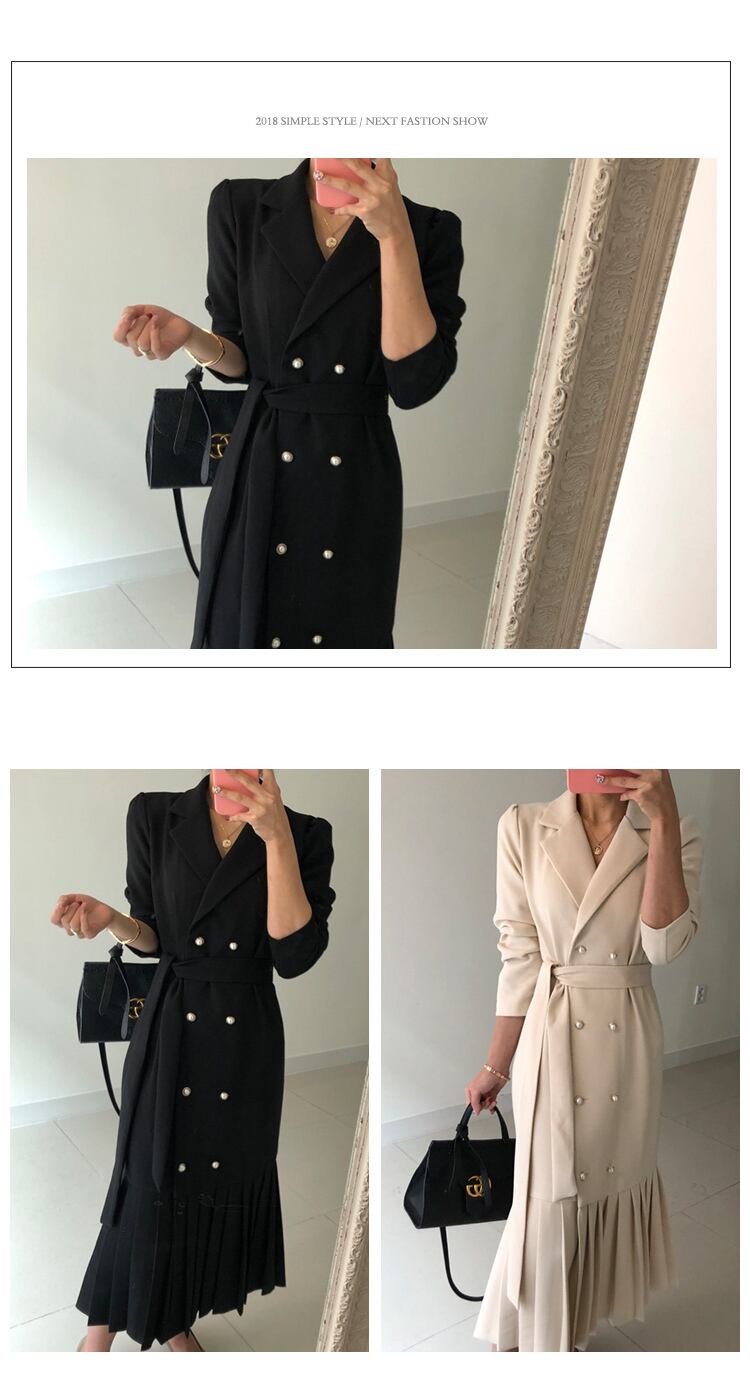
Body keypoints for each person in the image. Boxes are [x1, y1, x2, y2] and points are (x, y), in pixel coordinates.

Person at [113, 158, 466, 649]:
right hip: (261, 459)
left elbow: (413, 385)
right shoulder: (242, 206)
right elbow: (243, 359)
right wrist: (192, 336)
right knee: (244, 630)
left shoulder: (430, 230)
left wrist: (393, 235)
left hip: (356, 469)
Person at [50, 770, 335, 1351]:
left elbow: (293, 957)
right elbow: (154, 934)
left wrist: (276, 837)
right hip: (171, 1021)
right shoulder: (155, 814)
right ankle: (99, 1332)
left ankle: (174, 1317)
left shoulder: (306, 832)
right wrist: (114, 920)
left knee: (211, 1178)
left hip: (245, 1034)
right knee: (146, 1175)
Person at [466, 770, 703, 1352]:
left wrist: (664, 821)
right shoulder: (523, 825)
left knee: (605, 1182)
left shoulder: (675, 828)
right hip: (552, 1033)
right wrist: (496, 1065)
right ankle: (533, 1333)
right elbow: (520, 952)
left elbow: (663, 947)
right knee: (548, 1195)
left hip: (627, 1040)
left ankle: (571, 1322)